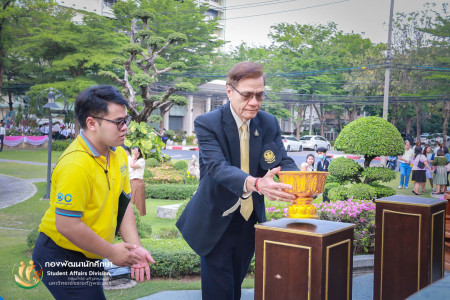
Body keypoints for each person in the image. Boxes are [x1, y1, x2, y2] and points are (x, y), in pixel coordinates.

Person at [176, 62, 298, 300]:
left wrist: (302, 179)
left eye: (259, 95)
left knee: (235, 289)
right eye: (247, 95)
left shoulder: (268, 122)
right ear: (229, 91)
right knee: (219, 293)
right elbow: (217, 168)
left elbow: (281, 160)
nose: (254, 102)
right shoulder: (207, 123)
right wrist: (257, 183)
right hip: (216, 219)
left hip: (249, 221)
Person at [32, 85, 155, 299]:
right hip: (61, 256)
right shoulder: (76, 164)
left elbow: (122, 205)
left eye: (125, 120)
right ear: (91, 123)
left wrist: (135, 250)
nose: (125, 127)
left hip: (90, 254)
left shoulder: (117, 155)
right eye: (118, 122)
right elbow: (67, 225)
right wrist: (110, 251)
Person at [130, 146, 146, 216]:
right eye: (132, 151)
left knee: (138, 198)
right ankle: (132, 212)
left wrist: (133, 157)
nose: (133, 152)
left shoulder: (141, 160)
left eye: (135, 151)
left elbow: (132, 166)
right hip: (132, 181)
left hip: (138, 181)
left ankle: (139, 213)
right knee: (132, 197)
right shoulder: (133, 160)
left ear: (139, 153)